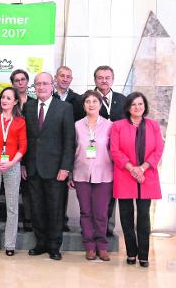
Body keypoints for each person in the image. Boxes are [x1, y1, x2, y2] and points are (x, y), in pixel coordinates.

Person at [22, 72, 75, 261]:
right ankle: (41, 243)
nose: (41, 87)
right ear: (34, 87)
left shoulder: (65, 108)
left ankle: (54, 246)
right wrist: (23, 165)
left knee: (55, 208)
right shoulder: (27, 107)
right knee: (36, 208)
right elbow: (25, 139)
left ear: (52, 85)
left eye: (45, 83)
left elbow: (69, 141)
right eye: (38, 84)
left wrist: (65, 168)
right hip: (33, 167)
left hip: (55, 169)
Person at [110, 92, 164, 268]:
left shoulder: (153, 125)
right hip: (125, 174)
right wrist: (132, 168)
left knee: (143, 217)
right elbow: (115, 151)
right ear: (128, 107)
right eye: (134, 104)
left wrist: (143, 168)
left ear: (145, 106)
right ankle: (131, 253)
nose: (137, 107)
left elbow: (158, 150)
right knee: (126, 218)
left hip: (146, 176)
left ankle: (143, 255)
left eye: (140, 104)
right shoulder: (118, 126)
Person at [69, 91, 113, 261]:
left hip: (104, 175)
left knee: (101, 213)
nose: (91, 104)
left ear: (101, 105)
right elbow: (71, 150)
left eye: (95, 101)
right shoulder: (76, 125)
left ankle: (102, 247)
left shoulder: (110, 126)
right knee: (85, 212)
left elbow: (114, 151)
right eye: (88, 101)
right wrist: (70, 174)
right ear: (84, 105)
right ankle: (89, 246)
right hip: (81, 174)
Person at [0, 87, 27, 256]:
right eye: (3, 97)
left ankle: (10, 245)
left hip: (12, 166)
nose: (4, 101)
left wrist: (10, 163)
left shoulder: (20, 121)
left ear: (15, 101)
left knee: (12, 207)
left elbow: (23, 146)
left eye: (9, 98)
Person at [93, 65, 127, 237]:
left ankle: (108, 226)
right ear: (95, 80)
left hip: (116, 154)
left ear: (112, 80)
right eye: (100, 77)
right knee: (93, 190)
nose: (104, 80)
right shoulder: (88, 99)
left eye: (107, 77)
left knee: (111, 190)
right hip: (92, 153)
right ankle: (93, 226)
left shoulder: (122, 100)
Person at [53, 65, 83, 232]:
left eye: (68, 77)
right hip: (50, 148)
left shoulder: (78, 100)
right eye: (62, 76)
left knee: (64, 186)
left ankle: (62, 220)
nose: (65, 79)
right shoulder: (48, 96)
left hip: (69, 147)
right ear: (56, 77)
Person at [10, 69, 35, 232]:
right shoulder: (9, 101)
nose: (20, 83)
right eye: (16, 80)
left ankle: (29, 219)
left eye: (23, 79)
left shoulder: (34, 102)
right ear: (12, 83)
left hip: (31, 149)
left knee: (28, 187)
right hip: (11, 149)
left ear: (27, 82)